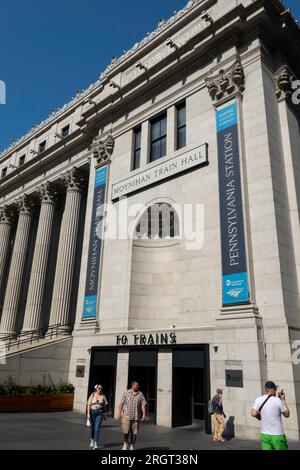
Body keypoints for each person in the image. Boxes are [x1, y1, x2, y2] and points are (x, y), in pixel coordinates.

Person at [251, 381, 290, 451]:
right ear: (272, 390)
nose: (276, 391)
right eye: (275, 389)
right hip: (277, 435)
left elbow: (253, 413)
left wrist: (259, 416)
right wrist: (283, 400)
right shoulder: (278, 401)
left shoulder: (258, 399)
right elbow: (287, 414)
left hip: (265, 435)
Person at [118, 381, 147, 450]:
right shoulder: (126, 393)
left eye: (138, 385)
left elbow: (143, 404)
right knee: (126, 431)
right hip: (127, 416)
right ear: (132, 385)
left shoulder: (140, 394)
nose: (138, 386)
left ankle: (132, 446)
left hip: (136, 417)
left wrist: (144, 415)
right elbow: (121, 403)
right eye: (136, 385)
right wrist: (119, 413)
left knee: (134, 433)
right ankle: (125, 444)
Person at [87, 384, 108, 450]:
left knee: (97, 428)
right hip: (92, 412)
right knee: (93, 428)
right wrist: (88, 414)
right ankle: (92, 440)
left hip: (100, 413)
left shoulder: (103, 396)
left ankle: (96, 443)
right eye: (99, 388)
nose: (100, 389)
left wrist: (105, 414)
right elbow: (88, 405)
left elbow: (105, 405)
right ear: (96, 388)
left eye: (101, 388)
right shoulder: (92, 395)